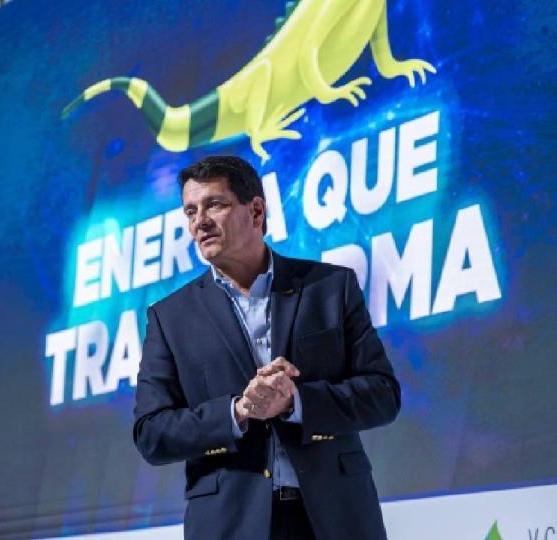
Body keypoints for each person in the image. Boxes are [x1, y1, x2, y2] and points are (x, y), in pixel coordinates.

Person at [133, 156, 400, 540]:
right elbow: (151, 434)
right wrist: (238, 411)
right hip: (231, 525)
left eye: (214, 205)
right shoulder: (170, 318)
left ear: (256, 211)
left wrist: (295, 402)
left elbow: (383, 395)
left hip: (337, 518)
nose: (199, 222)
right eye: (190, 211)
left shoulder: (330, 288)